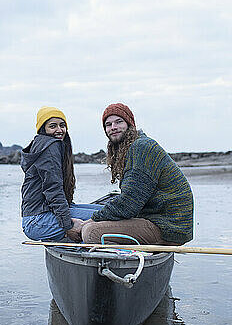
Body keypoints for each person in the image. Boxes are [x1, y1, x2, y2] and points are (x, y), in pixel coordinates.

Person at [79, 103, 194, 245]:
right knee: (93, 226)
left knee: (91, 232)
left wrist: (90, 221)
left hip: (169, 227)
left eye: (119, 122)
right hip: (155, 219)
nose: (113, 127)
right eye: (108, 124)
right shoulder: (130, 147)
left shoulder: (142, 147)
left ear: (130, 124)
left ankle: (123, 259)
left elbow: (129, 203)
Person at [20, 106, 102, 242]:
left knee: (105, 210)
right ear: (43, 129)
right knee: (107, 218)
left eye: (62, 125)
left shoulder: (44, 144)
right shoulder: (49, 146)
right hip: (38, 221)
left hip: (41, 215)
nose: (59, 130)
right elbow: (53, 189)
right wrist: (67, 226)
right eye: (53, 126)